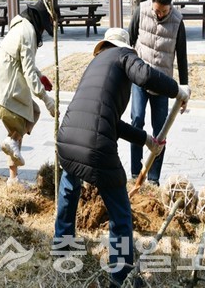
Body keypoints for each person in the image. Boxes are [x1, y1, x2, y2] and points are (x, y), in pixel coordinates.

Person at [53, 27, 190, 287]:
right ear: (125, 48)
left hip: (67, 138)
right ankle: (122, 275)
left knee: (69, 191)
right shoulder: (123, 57)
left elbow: (112, 122)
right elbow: (145, 75)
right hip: (95, 145)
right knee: (120, 212)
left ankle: (62, 248)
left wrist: (147, 140)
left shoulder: (96, 64)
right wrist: (176, 90)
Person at [0, 0, 56, 188]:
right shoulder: (28, 32)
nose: (43, 32)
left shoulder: (20, 25)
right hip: (4, 93)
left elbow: (25, 62)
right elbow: (28, 73)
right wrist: (48, 102)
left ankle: (13, 178)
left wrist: (41, 76)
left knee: (27, 116)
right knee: (29, 115)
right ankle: (12, 142)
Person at [126, 0, 188, 186]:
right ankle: (135, 173)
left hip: (162, 84)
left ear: (170, 6)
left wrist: (184, 92)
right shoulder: (141, 11)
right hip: (139, 79)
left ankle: (153, 178)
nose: (160, 14)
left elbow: (182, 57)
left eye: (164, 11)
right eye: (157, 10)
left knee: (160, 132)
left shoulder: (178, 22)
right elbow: (129, 41)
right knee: (137, 120)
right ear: (151, 3)